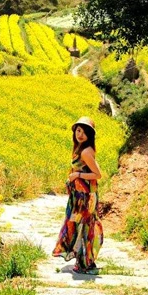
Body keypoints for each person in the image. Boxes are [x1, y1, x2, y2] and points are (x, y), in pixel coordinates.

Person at [52, 117, 103, 274]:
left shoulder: (86, 152)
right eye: (78, 131)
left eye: (84, 132)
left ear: (90, 135)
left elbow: (97, 174)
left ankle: (84, 262)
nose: (80, 135)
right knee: (78, 225)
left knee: (83, 226)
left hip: (86, 197)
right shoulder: (80, 149)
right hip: (79, 195)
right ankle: (83, 260)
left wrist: (78, 175)